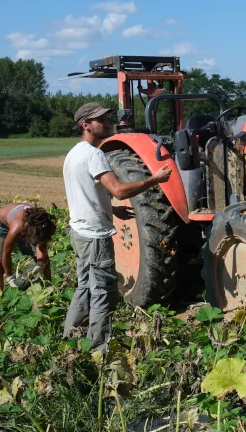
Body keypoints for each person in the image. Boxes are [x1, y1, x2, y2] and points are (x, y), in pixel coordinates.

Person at [62, 102, 172, 351]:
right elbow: (119, 190)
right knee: (103, 291)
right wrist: (154, 179)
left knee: (84, 287)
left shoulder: (73, 154)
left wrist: (111, 209)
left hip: (79, 232)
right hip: (95, 236)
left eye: (106, 117)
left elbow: (84, 194)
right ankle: (99, 349)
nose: (107, 122)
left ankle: (70, 337)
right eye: (100, 119)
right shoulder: (93, 154)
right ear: (86, 125)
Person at [0, 203, 57, 290]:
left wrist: (40, 264)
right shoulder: (17, 228)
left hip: (30, 227)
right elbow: (6, 253)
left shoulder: (43, 225)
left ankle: (47, 291)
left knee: (45, 262)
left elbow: (42, 244)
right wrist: (9, 277)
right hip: (0, 224)